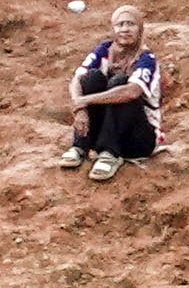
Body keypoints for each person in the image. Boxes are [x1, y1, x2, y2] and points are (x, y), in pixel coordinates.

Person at [64, 19, 162, 181]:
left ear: (140, 29)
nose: (125, 29)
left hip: (137, 138)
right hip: (105, 130)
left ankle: (110, 154)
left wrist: (85, 100)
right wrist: (79, 108)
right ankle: (80, 146)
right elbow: (77, 78)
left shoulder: (146, 59)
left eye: (131, 24)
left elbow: (131, 92)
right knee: (91, 78)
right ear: (112, 29)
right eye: (120, 24)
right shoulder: (104, 50)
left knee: (120, 84)